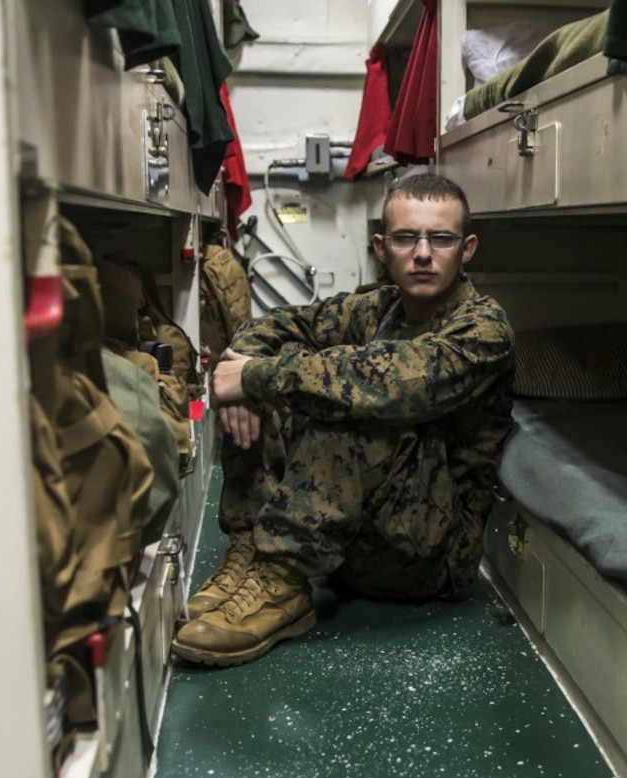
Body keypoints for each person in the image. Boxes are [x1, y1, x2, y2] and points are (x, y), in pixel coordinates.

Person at [170, 173, 515, 667]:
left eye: (441, 238)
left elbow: (396, 382)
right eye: (405, 237)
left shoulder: (484, 329)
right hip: (360, 541)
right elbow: (280, 323)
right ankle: (253, 552)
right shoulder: (378, 307)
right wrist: (242, 362)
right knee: (274, 374)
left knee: (346, 397)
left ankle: (282, 584)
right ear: (381, 246)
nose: (422, 253)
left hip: (430, 558)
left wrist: (255, 377)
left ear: (467, 249)